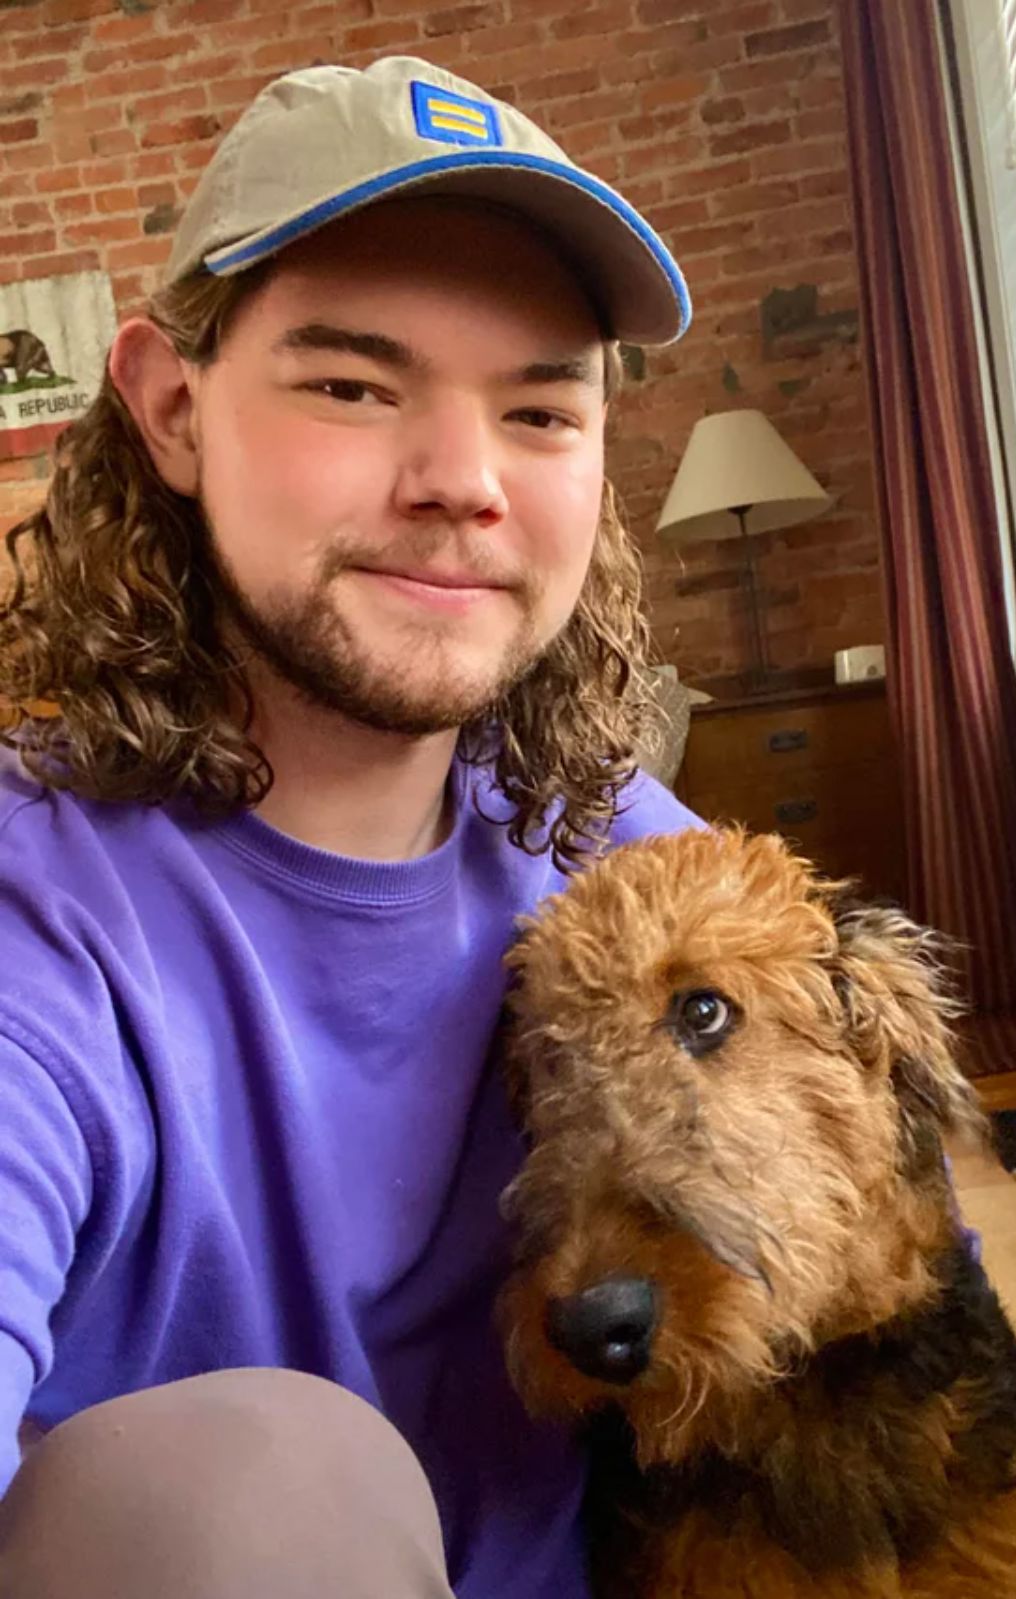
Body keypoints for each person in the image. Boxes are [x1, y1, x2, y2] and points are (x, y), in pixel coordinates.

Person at [0, 55, 697, 1598]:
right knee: (249, 1487)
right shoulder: (35, 918)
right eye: (352, 386)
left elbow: (912, 1289)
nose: (463, 484)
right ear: (173, 412)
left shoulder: (626, 857)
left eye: (538, 408)